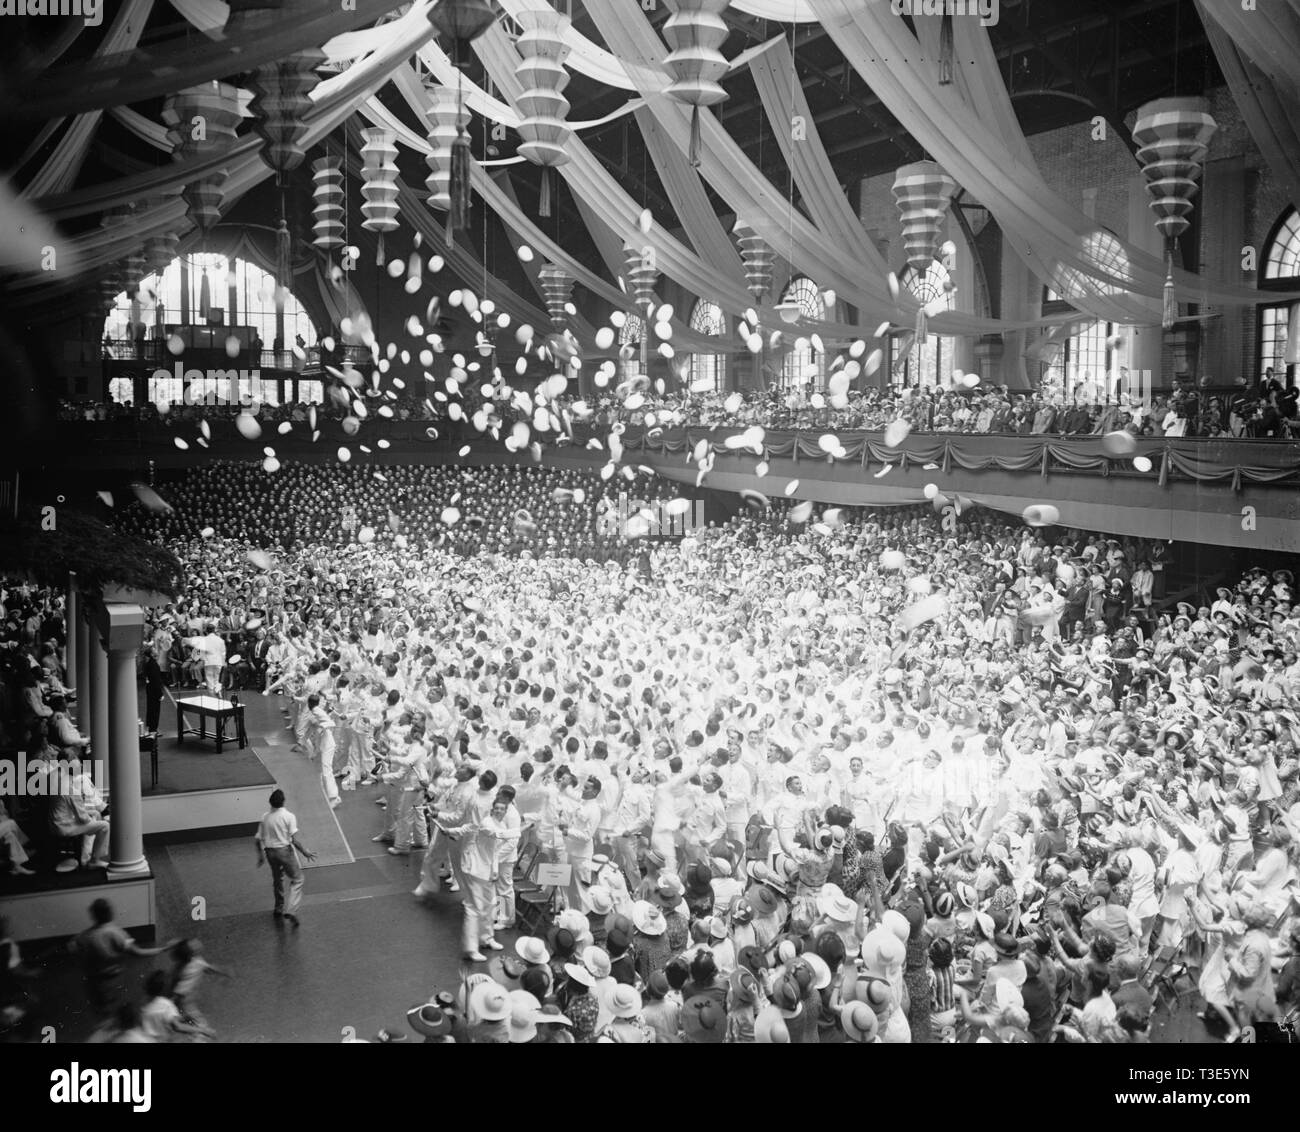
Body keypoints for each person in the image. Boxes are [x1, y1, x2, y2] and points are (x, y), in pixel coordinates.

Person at [72, 898, 169, 1021]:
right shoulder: (116, 934)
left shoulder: (82, 937)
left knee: (101, 1011)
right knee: (116, 1009)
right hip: (112, 981)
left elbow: (76, 953)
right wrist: (162, 949)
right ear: (109, 913)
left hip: (93, 982)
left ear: (93, 915)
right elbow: (138, 952)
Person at [254, 788, 317, 927]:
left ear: (270, 802)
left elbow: (258, 839)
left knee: (278, 879)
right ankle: (291, 910)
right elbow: (294, 840)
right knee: (298, 879)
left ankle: (278, 907)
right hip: (284, 851)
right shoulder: (289, 816)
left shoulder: (265, 817)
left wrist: (260, 856)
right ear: (283, 802)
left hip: (270, 852)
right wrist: (305, 852)